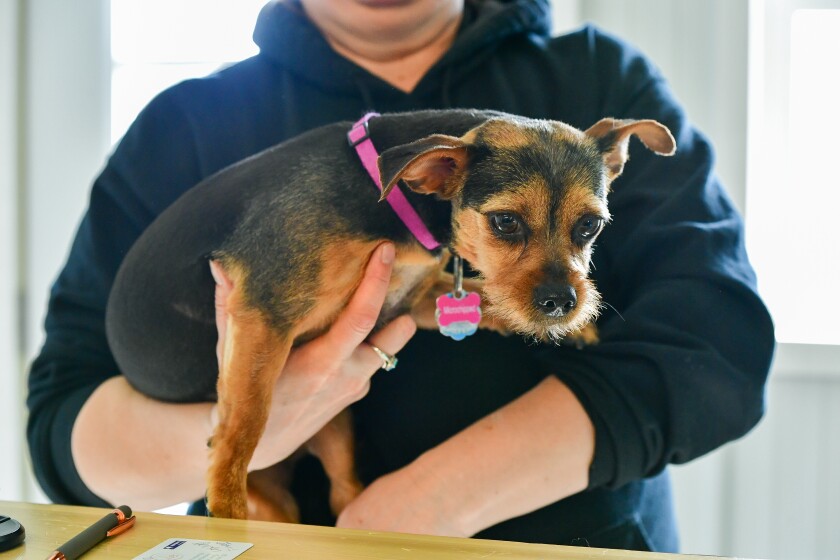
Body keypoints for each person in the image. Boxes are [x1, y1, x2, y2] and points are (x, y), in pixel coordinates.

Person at [26, 0, 775, 552]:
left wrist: (427, 503)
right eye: (508, 225)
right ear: (429, 175)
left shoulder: (598, 83)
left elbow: (720, 351)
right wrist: (256, 429)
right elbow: (64, 418)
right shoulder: (185, 123)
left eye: (585, 230)